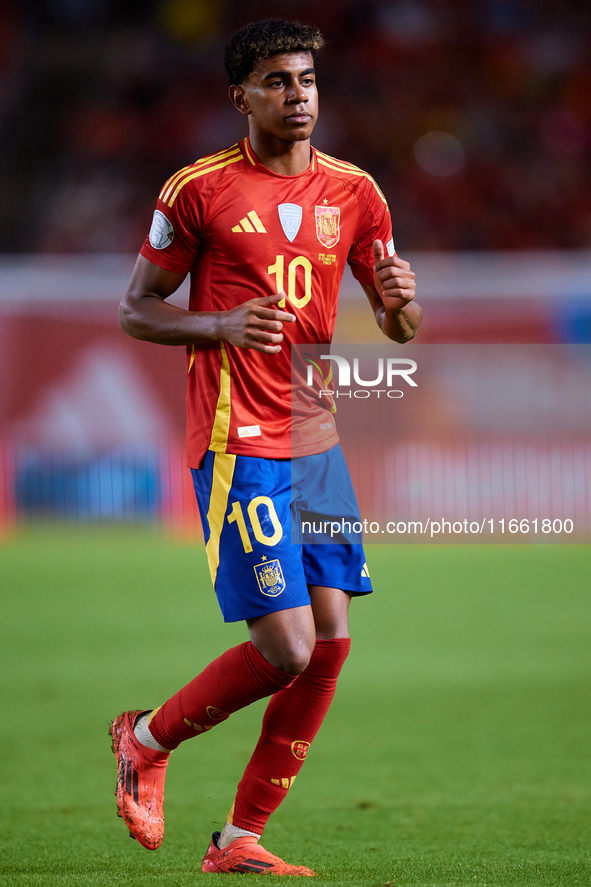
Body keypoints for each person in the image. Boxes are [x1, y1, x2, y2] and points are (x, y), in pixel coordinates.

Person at [111, 17, 421, 877]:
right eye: (279, 81)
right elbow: (136, 308)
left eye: (308, 81)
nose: (298, 96)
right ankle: (143, 739)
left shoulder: (355, 191)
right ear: (239, 94)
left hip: (315, 436)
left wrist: (401, 303)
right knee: (285, 647)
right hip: (237, 439)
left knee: (330, 642)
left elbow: (402, 328)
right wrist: (215, 324)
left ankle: (238, 838)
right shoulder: (198, 189)